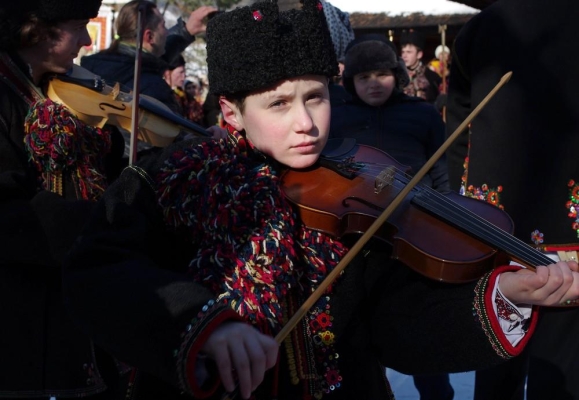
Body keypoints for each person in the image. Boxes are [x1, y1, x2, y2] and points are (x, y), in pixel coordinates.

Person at [62, 1, 579, 400]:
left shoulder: (355, 187)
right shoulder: (167, 180)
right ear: (232, 111)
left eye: (316, 97)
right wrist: (199, 323)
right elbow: (100, 271)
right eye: (279, 104)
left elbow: (394, 318)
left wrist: (506, 292)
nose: (306, 123)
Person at [445, 1, 579, 399]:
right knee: (560, 368)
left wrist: (464, 205)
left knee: (497, 353)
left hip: (496, 222)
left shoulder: (482, 26)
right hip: (567, 223)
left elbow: (458, 126)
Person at [0, 0, 133, 398]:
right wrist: (102, 220)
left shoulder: (52, 88)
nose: (88, 39)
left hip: (69, 310)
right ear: (38, 29)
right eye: (79, 26)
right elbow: (9, 216)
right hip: (21, 322)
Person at [330, 33, 453, 400]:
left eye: (382, 74)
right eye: (363, 76)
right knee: (360, 332)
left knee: (424, 329)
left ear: (397, 76)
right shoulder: (336, 117)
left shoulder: (422, 113)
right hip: (356, 236)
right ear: (350, 80)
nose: (373, 83)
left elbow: (442, 172)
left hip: (417, 229)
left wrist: (446, 217)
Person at [80, 0, 216, 114]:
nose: (167, 31)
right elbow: (173, 142)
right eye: (164, 25)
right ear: (149, 36)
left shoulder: (93, 68)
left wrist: (186, 31)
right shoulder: (154, 88)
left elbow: (150, 60)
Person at [400, 29, 441, 104]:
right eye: (403, 52)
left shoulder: (432, 77)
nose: (404, 56)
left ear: (419, 54)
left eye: (409, 52)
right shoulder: (398, 76)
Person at [164, 55, 204, 124]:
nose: (184, 76)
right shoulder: (160, 93)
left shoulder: (186, 97)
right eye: (181, 72)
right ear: (167, 73)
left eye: (184, 72)